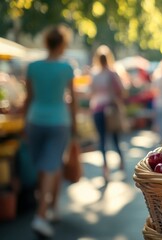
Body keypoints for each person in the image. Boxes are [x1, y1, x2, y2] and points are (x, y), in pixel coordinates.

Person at [23, 24, 77, 238]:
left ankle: (51, 207)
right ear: (63, 44)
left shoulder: (33, 66)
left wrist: (22, 123)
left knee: (44, 166)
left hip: (35, 120)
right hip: (58, 122)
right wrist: (74, 125)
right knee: (51, 164)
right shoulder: (67, 68)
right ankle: (42, 215)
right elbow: (72, 100)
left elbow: (29, 98)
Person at [89, 45, 125, 182]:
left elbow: (91, 92)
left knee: (102, 139)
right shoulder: (112, 73)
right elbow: (121, 90)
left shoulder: (95, 74)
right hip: (110, 108)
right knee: (115, 138)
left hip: (97, 109)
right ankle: (120, 160)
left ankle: (105, 167)